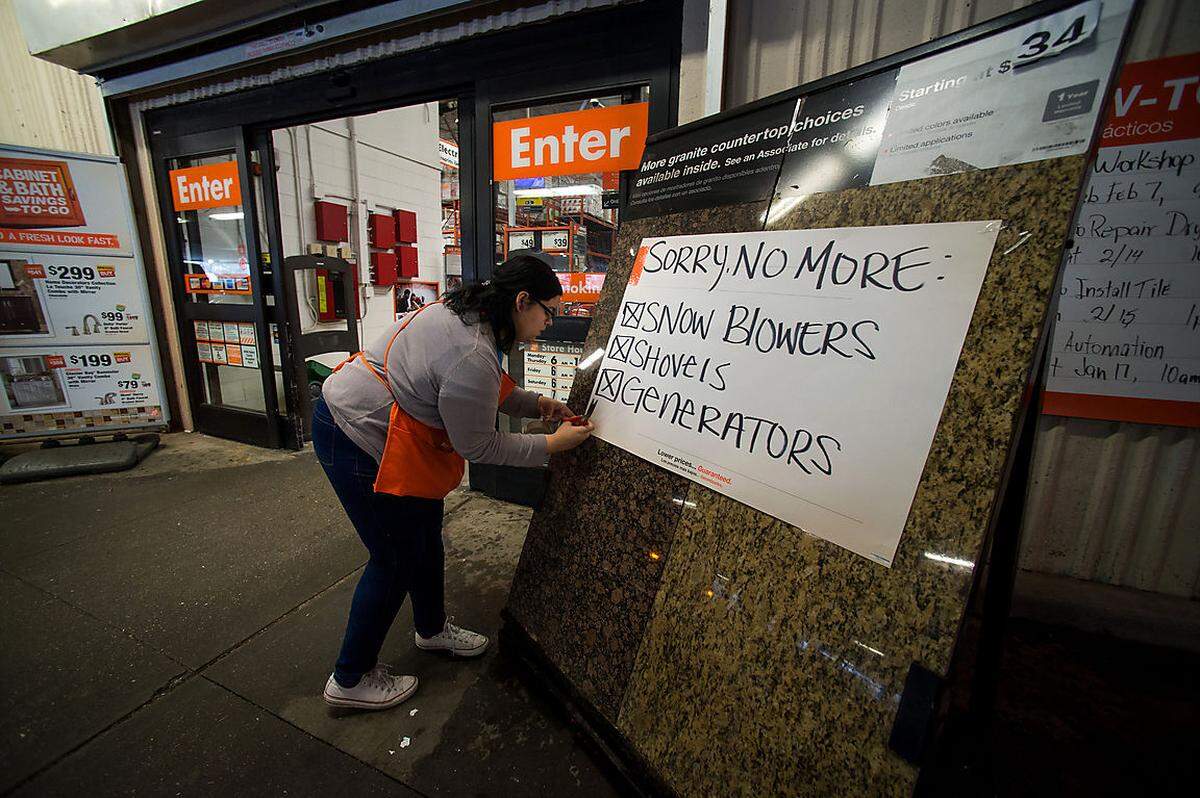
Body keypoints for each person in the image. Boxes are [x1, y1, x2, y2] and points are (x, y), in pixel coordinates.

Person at [312, 254, 594, 710]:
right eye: (549, 311)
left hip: (387, 431)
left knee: (426, 537)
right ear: (522, 301)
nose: (550, 322)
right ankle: (350, 678)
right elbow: (479, 447)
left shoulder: (470, 314)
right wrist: (552, 446)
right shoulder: (473, 352)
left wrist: (537, 402)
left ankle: (431, 629)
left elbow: (480, 394)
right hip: (355, 435)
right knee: (393, 559)